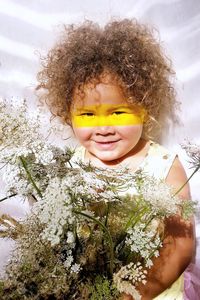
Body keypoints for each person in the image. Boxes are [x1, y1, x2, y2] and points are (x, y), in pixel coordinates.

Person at [36, 19, 195, 299]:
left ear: (144, 109)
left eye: (119, 113)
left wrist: (132, 295)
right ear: (67, 115)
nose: (104, 128)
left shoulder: (164, 165)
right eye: (87, 115)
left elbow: (180, 245)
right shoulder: (66, 168)